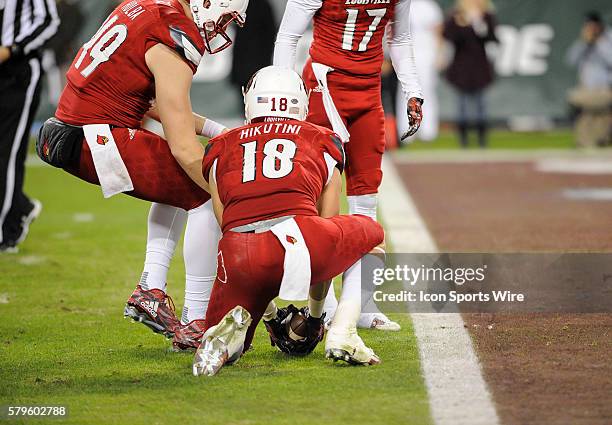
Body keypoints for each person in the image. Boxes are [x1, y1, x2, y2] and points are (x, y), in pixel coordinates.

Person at [36, 0, 248, 350]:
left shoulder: (144, 8)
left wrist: (217, 130)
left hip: (75, 128)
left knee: (180, 186)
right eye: (224, 17)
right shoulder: (174, 34)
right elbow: (183, 147)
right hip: (95, 135)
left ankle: (151, 289)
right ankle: (196, 322)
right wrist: (228, 200)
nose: (222, 27)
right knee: (204, 192)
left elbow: (155, 104)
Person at [193, 66, 384, 377]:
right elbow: (328, 223)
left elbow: (227, 222)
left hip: (239, 253)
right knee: (372, 236)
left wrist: (269, 315)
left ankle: (228, 341)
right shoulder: (322, 139)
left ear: (251, 101)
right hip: (300, 241)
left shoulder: (220, 146)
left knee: (239, 325)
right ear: (301, 102)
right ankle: (343, 332)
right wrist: (314, 316)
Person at [272, 0, 424, 332]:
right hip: (325, 86)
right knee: (317, 199)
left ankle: (362, 303)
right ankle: (321, 302)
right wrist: (281, 96)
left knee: (366, 197)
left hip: (369, 91)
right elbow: (287, 36)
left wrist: (413, 89)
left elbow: (399, 38)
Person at [0, 0, 59, 253]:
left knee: (7, 152)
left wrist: (11, 48)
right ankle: (20, 207)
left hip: (17, 71)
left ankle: (5, 231)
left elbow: (49, 20)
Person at [442, 0, 498, 148]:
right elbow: (449, 37)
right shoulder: (456, 16)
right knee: (462, 106)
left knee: (481, 106)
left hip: (480, 68)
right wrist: (463, 24)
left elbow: (493, 38)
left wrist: (478, 24)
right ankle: (464, 140)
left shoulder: (486, 16)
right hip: (461, 68)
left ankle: (482, 140)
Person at [398, 0, 444, 142]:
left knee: (426, 91)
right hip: (405, 53)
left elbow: (438, 31)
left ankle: (428, 130)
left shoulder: (429, 6)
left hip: (426, 54)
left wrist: (440, 54)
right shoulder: (400, 5)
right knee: (404, 92)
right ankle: (406, 129)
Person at [566, 12, 612, 148]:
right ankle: (584, 142)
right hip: (587, 89)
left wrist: (599, 43)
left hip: (606, 88)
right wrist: (584, 43)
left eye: (593, 26)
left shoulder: (608, 39)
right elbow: (570, 60)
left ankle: (600, 140)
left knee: (601, 115)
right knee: (583, 113)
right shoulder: (584, 42)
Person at [229, 0, 277, 102]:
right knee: (249, 99)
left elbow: (270, 33)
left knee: (257, 99)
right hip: (247, 61)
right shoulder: (239, 5)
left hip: (256, 62)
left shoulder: (261, 5)